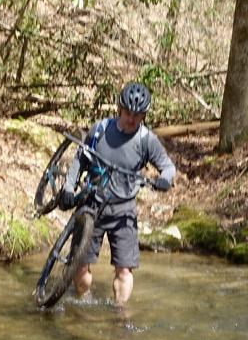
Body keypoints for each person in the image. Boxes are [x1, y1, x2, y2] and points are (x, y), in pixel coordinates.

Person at [70, 82, 176, 306]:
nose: (131, 119)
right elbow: (79, 159)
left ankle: (120, 316)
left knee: (124, 271)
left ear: (144, 116)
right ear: (120, 109)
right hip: (92, 204)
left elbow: (167, 167)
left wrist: (164, 180)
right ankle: (82, 305)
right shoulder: (99, 130)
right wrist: (68, 188)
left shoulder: (147, 140)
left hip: (124, 211)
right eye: (128, 113)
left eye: (137, 115)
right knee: (80, 268)